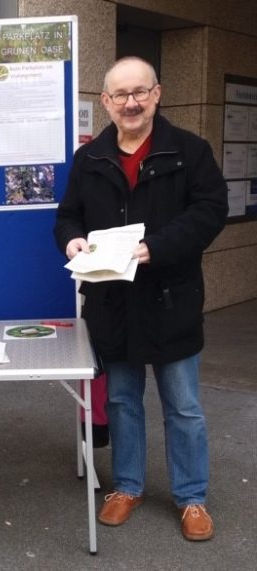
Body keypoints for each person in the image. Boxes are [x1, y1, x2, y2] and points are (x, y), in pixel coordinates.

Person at [54, 57, 228, 541]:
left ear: (157, 94)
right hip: (112, 302)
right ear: (106, 102)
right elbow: (67, 216)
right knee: (125, 401)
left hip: (170, 298)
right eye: (120, 95)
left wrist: (157, 247)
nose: (130, 102)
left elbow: (212, 211)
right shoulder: (88, 159)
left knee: (184, 406)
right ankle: (127, 487)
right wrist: (71, 241)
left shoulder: (190, 151)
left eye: (140, 92)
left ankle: (191, 497)